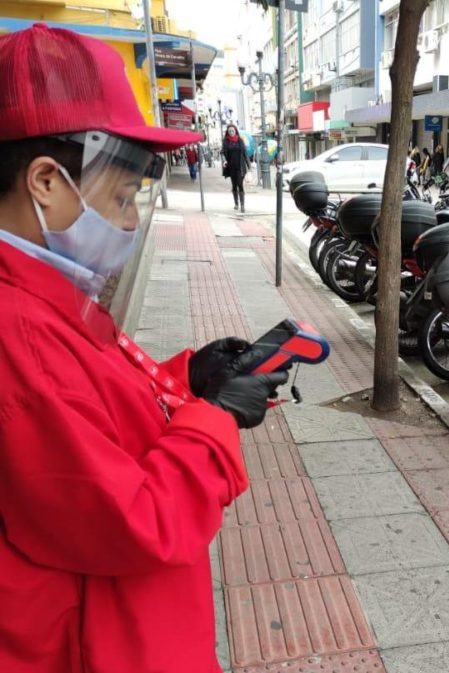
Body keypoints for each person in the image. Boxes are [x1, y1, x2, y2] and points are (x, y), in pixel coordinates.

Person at [0, 24, 279, 673]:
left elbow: (93, 407)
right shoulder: (19, 333)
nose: (130, 220)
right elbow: (136, 521)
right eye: (122, 197)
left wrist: (188, 378)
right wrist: (215, 421)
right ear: (46, 181)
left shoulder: (40, 295)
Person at [222, 124, 250, 213]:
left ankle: (242, 205)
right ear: (228, 132)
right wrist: (224, 161)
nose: (231, 132)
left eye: (232, 131)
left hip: (240, 167)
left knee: (240, 184)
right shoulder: (226, 142)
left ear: (235, 131)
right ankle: (236, 203)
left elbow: (245, 154)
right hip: (231, 167)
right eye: (229, 131)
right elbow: (223, 153)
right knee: (234, 185)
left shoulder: (240, 140)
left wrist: (249, 166)